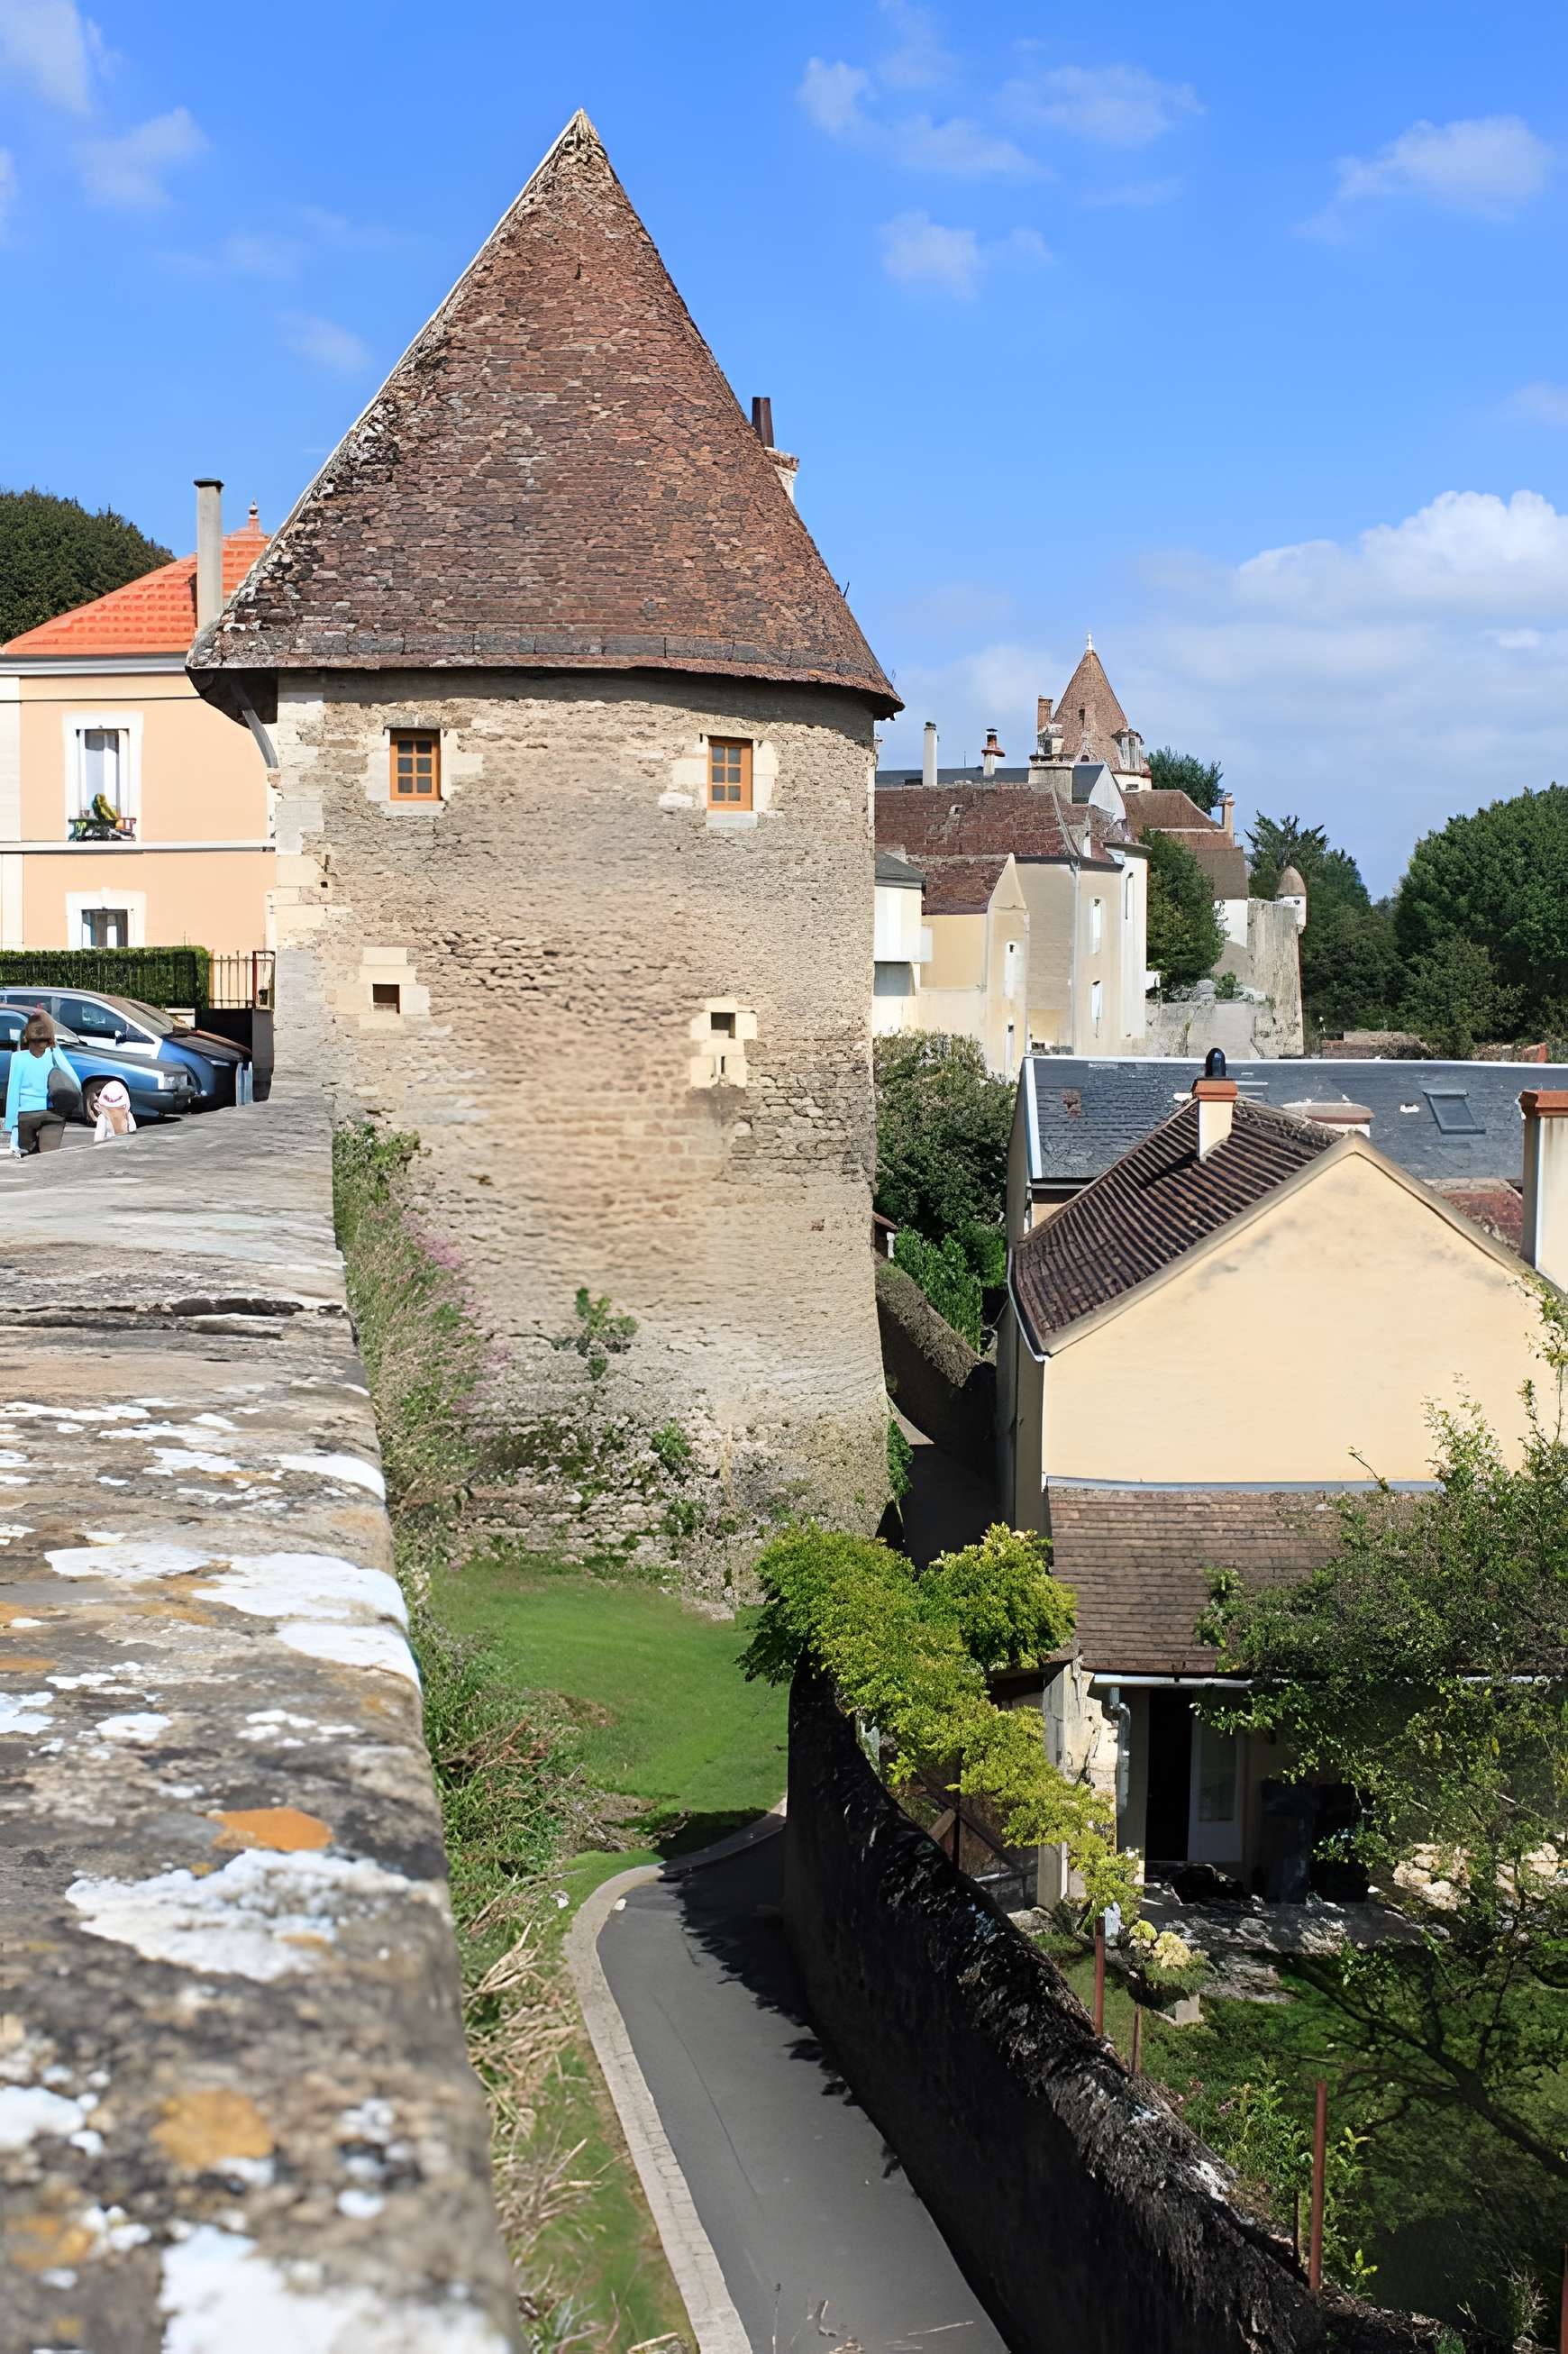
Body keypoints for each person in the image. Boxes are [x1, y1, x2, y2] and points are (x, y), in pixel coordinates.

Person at [5, 1010, 80, 1155]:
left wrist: (12, 1128)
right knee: (48, 1157)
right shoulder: (54, 1052)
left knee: (28, 1157)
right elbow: (74, 1080)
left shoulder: (18, 1058)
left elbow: (13, 1094)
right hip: (54, 1113)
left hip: (26, 1116)